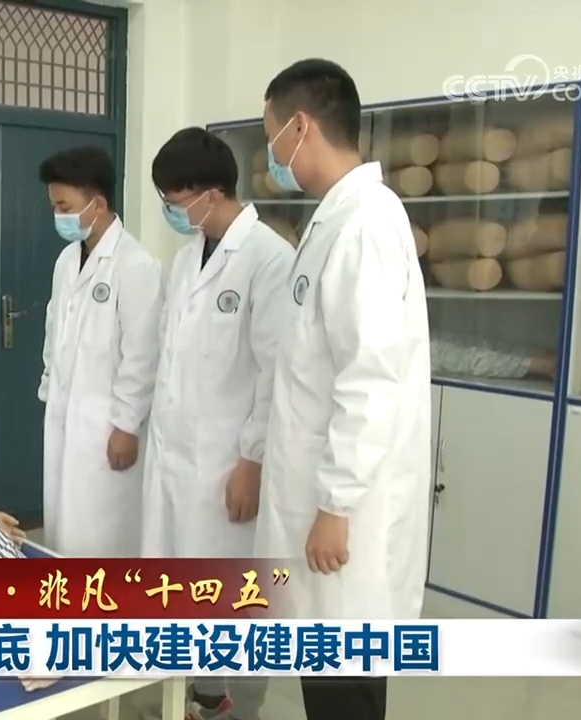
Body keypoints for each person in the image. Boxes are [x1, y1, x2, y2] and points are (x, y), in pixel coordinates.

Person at [256, 59, 431, 720]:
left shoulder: (365, 225)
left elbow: (370, 378)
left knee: (345, 684)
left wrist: (335, 504)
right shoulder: (336, 219)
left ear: (301, 126)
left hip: (343, 512)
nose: (273, 156)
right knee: (324, 672)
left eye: (272, 138)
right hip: (316, 496)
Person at [143, 127, 295, 720]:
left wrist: (251, 461)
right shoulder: (186, 259)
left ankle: (237, 704)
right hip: (177, 457)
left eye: (175, 199)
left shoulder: (269, 260)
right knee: (181, 587)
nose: (171, 210)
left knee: (234, 594)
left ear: (211, 193)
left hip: (227, 462)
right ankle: (192, 697)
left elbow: (275, 372)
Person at [37, 146, 163, 557]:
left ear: (99, 204)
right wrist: (50, 385)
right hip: (65, 414)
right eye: (54, 207)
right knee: (63, 528)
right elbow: (54, 329)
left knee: (103, 534)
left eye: (64, 207)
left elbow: (142, 353)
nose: (58, 216)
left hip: (107, 426)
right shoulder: (66, 260)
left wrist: (126, 425)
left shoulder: (135, 265)